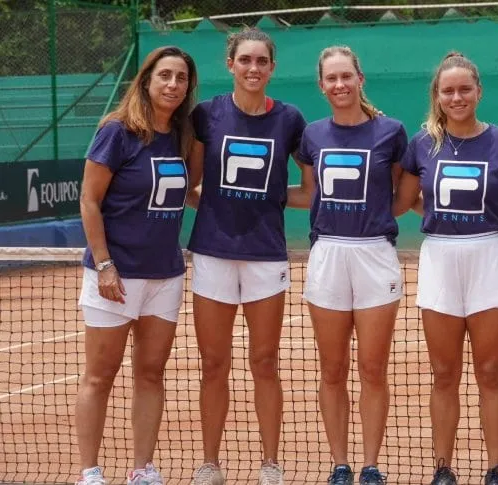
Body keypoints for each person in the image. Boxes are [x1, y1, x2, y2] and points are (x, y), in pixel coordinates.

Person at [393, 52, 498, 485]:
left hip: (489, 256)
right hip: (439, 257)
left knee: (491, 369)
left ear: (479, 91)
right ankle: (443, 467)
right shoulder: (421, 145)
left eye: (464, 89)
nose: (456, 97)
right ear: (437, 97)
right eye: (448, 91)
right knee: (444, 373)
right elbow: (402, 202)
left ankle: (495, 467)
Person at [186, 27, 307, 485]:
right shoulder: (207, 115)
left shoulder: (290, 119)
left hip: (266, 256)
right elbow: (192, 184)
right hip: (214, 254)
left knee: (265, 361)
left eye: (261, 61)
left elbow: (309, 190)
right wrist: (217, 205)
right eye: (245, 60)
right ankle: (210, 463)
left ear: (272, 68)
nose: (253, 68)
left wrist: (272, 199)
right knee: (214, 363)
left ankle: (270, 463)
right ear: (230, 65)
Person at [75, 46, 198, 485]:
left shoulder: (183, 135)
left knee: (150, 374)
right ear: (146, 80)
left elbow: (187, 192)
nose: (172, 85)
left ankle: (142, 470)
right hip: (116, 276)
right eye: (164, 75)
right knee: (99, 376)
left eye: (180, 78)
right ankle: (90, 472)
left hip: (165, 276)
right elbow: (89, 200)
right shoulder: (117, 131)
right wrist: (105, 265)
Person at [291, 45, 408, 485]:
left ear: (361, 78)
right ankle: (340, 464)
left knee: (373, 369)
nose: (339, 85)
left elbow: (402, 194)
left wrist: (375, 220)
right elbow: (306, 193)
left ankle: (371, 464)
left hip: (376, 253)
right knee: (332, 369)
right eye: (331, 79)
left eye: (346, 76)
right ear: (322, 86)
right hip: (327, 256)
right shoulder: (312, 136)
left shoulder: (391, 131)